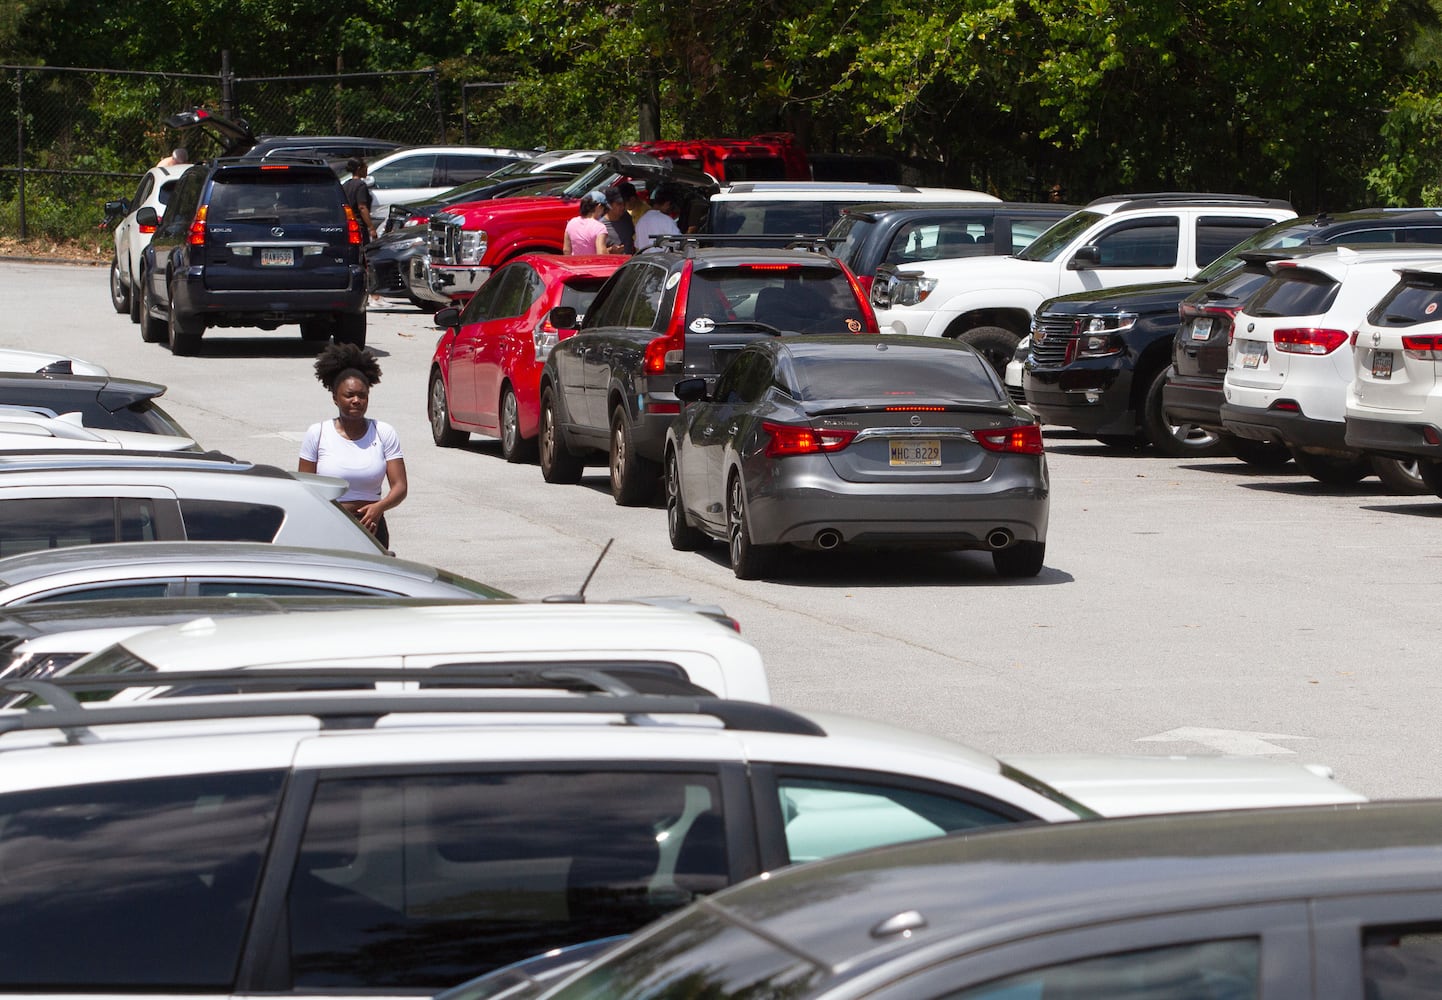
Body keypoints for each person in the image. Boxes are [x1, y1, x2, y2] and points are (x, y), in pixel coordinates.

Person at [298, 343, 407, 548]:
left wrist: (379, 508)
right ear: (335, 399)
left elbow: (400, 487)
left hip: (372, 530)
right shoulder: (318, 433)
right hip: (329, 528)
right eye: (349, 395)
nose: (356, 400)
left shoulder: (384, 432)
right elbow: (305, 489)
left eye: (362, 395)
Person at [634, 184, 682, 252]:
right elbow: (679, 243)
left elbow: (637, 245)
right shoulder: (667, 221)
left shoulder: (641, 221)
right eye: (671, 207)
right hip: (663, 261)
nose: (671, 210)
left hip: (645, 260)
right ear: (667, 204)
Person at [343, 157, 380, 243]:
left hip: (349, 225)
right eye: (365, 167)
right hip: (360, 226)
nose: (367, 169)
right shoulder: (361, 185)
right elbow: (362, 207)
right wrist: (371, 227)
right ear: (359, 169)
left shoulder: (346, 185)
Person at [563, 191, 610, 255]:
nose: (603, 212)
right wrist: (610, 251)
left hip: (575, 263)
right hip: (592, 264)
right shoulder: (600, 227)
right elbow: (601, 253)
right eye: (604, 209)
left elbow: (566, 250)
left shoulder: (571, 222)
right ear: (599, 207)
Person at [603, 187, 636, 254]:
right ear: (609, 205)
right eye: (619, 204)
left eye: (624, 204)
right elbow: (596, 254)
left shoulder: (627, 217)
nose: (623, 207)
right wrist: (610, 251)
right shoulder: (601, 226)